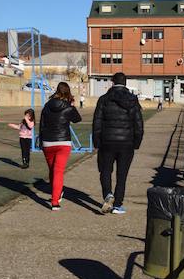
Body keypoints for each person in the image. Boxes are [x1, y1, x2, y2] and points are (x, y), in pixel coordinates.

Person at [92, 72, 144, 214]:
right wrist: (136, 142)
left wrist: (96, 142)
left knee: (105, 170)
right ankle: (118, 204)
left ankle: (108, 194)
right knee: (122, 175)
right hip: (126, 143)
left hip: (107, 142)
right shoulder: (133, 100)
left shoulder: (104, 99)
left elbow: (97, 122)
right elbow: (139, 123)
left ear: (112, 83)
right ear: (125, 83)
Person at [40, 82, 82, 211]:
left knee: (53, 171)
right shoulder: (68, 107)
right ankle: (55, 201)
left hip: (48, 141)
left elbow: (42, 124)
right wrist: (72, 106)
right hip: (63, 142)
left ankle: (56, 195)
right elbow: (77, 119)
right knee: (58, 172)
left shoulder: (47, 106)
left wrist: (41, 141)